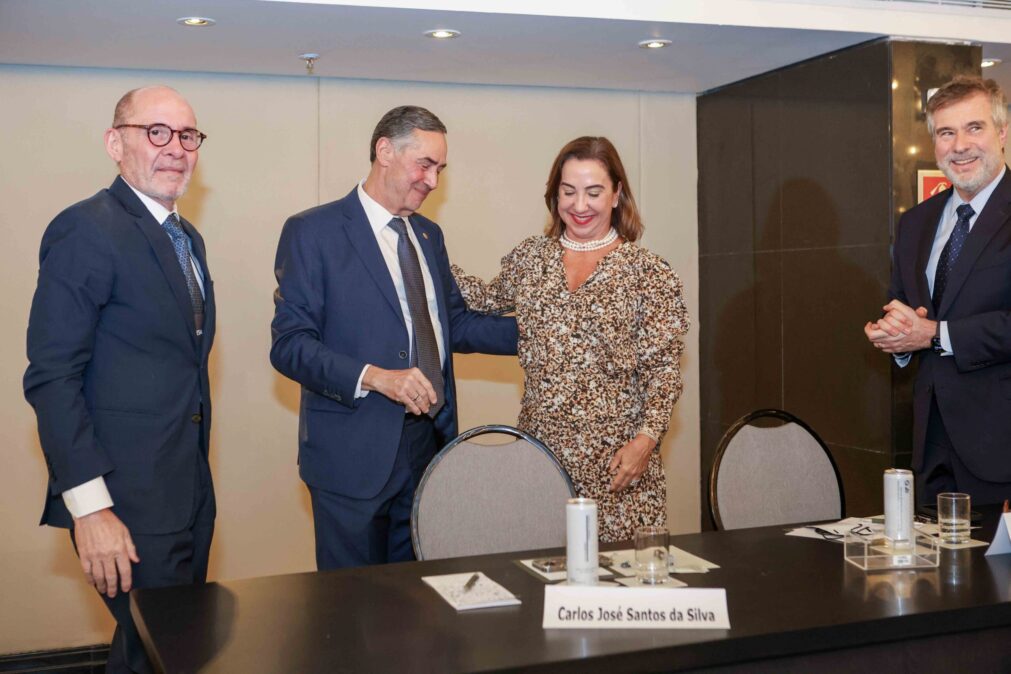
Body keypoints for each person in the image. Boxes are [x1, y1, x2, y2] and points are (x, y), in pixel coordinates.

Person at [270, 105, 518, 569]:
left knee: (418, 597)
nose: (433, 181)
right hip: (352, 455)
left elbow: (455, 325)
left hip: (428, 446)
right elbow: (290, 346)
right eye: (425, 164)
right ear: (385, 151)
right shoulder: (313, 232)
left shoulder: (428, 235)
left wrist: (545, 332)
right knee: (353, 604)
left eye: (440, 169)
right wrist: (376, 377)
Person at [24, 86, 215, 674]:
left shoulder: (187, 238)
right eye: (156, 132)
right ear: (115, 143)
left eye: (187, 135)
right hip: (122, 503)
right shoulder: (86, 229)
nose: (176, 148)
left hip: (185, 494)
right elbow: (53, 377)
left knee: (156, 652)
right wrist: (90, 510)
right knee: (161, 651)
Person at [452, 136, 690, 542]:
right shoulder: (532, 258)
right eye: (569, 191)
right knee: (539, 574)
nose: (580, 205)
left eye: (594, 192)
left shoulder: (648, 273)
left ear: (616, 194)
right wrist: (422, 250)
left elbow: (664, 373)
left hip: (618, 471)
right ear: (554, 194)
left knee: (618, 580)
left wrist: (645, 442)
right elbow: (484, 298)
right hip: (541, 464)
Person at [864, 75, 1011, 506]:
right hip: (929, 448)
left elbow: (934, 330)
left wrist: (934, 335)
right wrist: (895, 336)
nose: (960, 145)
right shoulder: (916, 222)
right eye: (946, 133)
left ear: (1003, 133)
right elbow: (906, 309)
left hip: (1002, 452)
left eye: (974, 128)